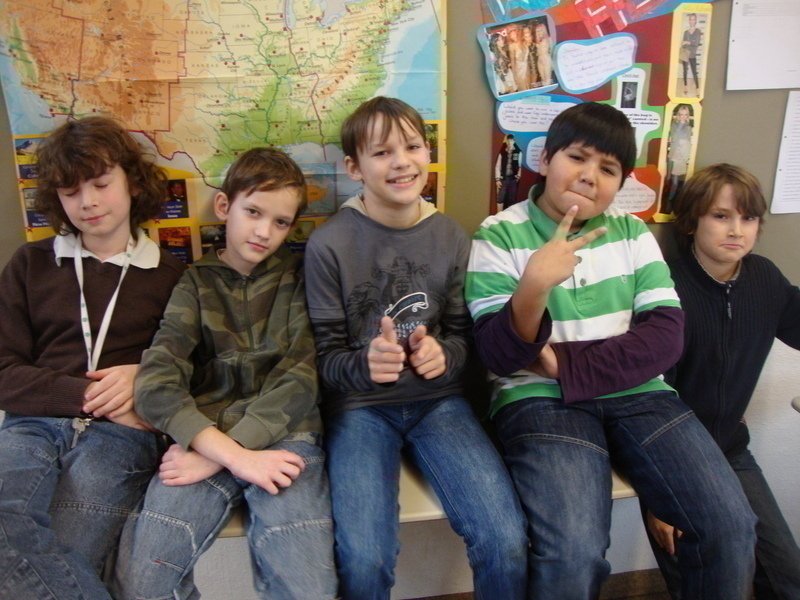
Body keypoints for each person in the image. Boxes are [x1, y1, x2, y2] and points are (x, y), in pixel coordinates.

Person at [465, 102, 757, 599]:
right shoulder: (499, 234)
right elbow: (499, 354)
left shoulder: (633, 232)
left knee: (730, 527)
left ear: (620, 183)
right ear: (546, 159)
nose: (589, 176)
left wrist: (564, 363)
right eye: (577, 158)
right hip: (539, 401)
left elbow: (665, 337)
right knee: (573, 553)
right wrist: (533, 286)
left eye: (608, 169)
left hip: (641, 397)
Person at [304, 96, 528, 600]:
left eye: (411, 147)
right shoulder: (328, 245)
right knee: (365, 558)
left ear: (428, 153)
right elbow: (323, 358)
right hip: (360, 410)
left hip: (438, 403)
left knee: (505, 540)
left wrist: (445, 355)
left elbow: (466, 337)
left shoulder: (451, 236)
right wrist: (365, 364)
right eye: (382, 152)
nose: (401, 162)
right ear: (354, 168)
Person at [111, 148, 337, 599]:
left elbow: (302, 377)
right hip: (204, 437)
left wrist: (228, 453)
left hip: (286, 438)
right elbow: (156, 384)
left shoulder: (300, 278)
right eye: (253, 212)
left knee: (307, 588)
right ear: (223, 206)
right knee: (142, 581)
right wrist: (227, 452)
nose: (264, 231)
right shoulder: (194, 284)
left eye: (280, 222)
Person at [0, 116, 185, 599]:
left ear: (133, 182)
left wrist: (144, 375)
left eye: (101, 184)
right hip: (32, 424)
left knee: (71, 551)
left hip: (121, 436)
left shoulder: (173, 277)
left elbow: (193, 369)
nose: (88, 202)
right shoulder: (29, 264)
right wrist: (85, 394)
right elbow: (3, 372)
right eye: (71, 191)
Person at [643, 164, 800, 599]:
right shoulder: (665, 288)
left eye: (748, 218)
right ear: (692, 221)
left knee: (787, 576)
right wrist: (658, 497)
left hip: (730, 450)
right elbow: (646, 402)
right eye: (721, 216)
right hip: (674, 463)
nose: (736, 230)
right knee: (704, 581)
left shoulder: (765, 278)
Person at [661, 104, 693, 214]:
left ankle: (674, 203)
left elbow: (687, 142)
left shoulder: (689, 128)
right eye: (681, 114)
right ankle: (667, 201)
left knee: (680, 182)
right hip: (673, 156)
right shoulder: (674, 125)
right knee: (671, 180)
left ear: (687, 116)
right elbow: (674, 137)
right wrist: (680, 125)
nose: (683, 116)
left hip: (682, 157)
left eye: (685, 115)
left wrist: (686, 155)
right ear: (678, 115)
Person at [495, 133, 523, 211]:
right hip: (503, 178)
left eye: (511, 141)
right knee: (500, 197)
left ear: (514, 141)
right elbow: (498, 166)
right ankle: (499, 213)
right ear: (506, 142)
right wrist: (497, 179)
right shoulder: (502, 152)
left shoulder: (518, 152)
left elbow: (520, 166)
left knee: (512, 198)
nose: (510, 143)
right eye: (508, 141)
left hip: (513, 179)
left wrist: (518, 175)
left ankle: (510, 214)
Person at [680, 13, 701, 96]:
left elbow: (696, 43)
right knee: (685, 71)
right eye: (690, 19)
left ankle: (697, 89)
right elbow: (683, 44)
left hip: (692, 54)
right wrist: (686, 43)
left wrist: (687, 42)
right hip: (685, 53)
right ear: (689, 21)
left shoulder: (698, 31)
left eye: (693, 19)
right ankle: (685, 87)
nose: (692, 21)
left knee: (694, 72)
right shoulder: (685, 32)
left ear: (695, 21)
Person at [508, 26, 531, 91]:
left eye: (514, 33)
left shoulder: (524, 42)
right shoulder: (511, 46)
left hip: (526, 67)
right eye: (511, 35)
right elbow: (512, 61)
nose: (513, 36)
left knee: (528, 86)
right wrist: (514, 75)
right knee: (523, 88)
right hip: (519, 69)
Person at [533, 21, 552, 86]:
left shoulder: (548, 39)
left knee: (547, 79)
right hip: (539, 60)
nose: (539, 32)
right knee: (543, 79)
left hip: (546, 59)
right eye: (537, 31)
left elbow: (552, 49)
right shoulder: (537, 41)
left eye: (540, 30)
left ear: (544, 30)